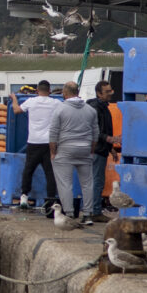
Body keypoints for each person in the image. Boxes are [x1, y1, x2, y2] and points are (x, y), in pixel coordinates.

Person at [48, 81, 99, 224]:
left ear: (65, 93)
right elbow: (96, 133)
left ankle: (69, 214)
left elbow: (53, 134)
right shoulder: (90, 110)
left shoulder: (60, 109)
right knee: (87, 183)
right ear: (77, 92)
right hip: (85, 149)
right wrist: (91, 151)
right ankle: (88, 214)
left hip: (65, 150)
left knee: (65, 183)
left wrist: (53, 152)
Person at [10, 80, 59, 211]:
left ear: (37, 90)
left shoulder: (31, 101)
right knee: (50, 173)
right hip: (49, 144)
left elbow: (16, 110)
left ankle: (24, 197)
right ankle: (51, 200)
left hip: (33, 142)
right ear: (49, 91)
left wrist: (14, 98)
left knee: (28, 170)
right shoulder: (55, 103)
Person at [86, 80, 119, 221]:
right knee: (97, 181)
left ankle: (92, 209)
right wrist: (108, 139)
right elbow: (94, 131)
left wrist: (110, 148)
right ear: (99, 93)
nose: (110, 94)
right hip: (96, 150)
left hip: (101, 149)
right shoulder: (95, 108)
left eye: (111, 90)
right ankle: (94, 211)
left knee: (95, 180)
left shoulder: (104, 107)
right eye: (107, 91)